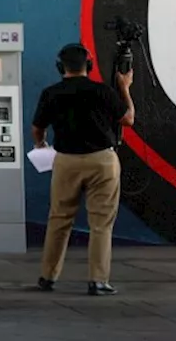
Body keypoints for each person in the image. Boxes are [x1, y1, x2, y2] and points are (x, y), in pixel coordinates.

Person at [31, 42, 134, 296]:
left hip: (66, 161)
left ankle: (47, 277)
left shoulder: (50, 93)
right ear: (88, 65)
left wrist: (41, 145)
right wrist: (124, 88)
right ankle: (98, 281)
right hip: (102, 161)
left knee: (59, 219)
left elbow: (38, 128)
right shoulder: (103, 91)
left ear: (60, 67)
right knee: (101, 223)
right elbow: (128, 119)